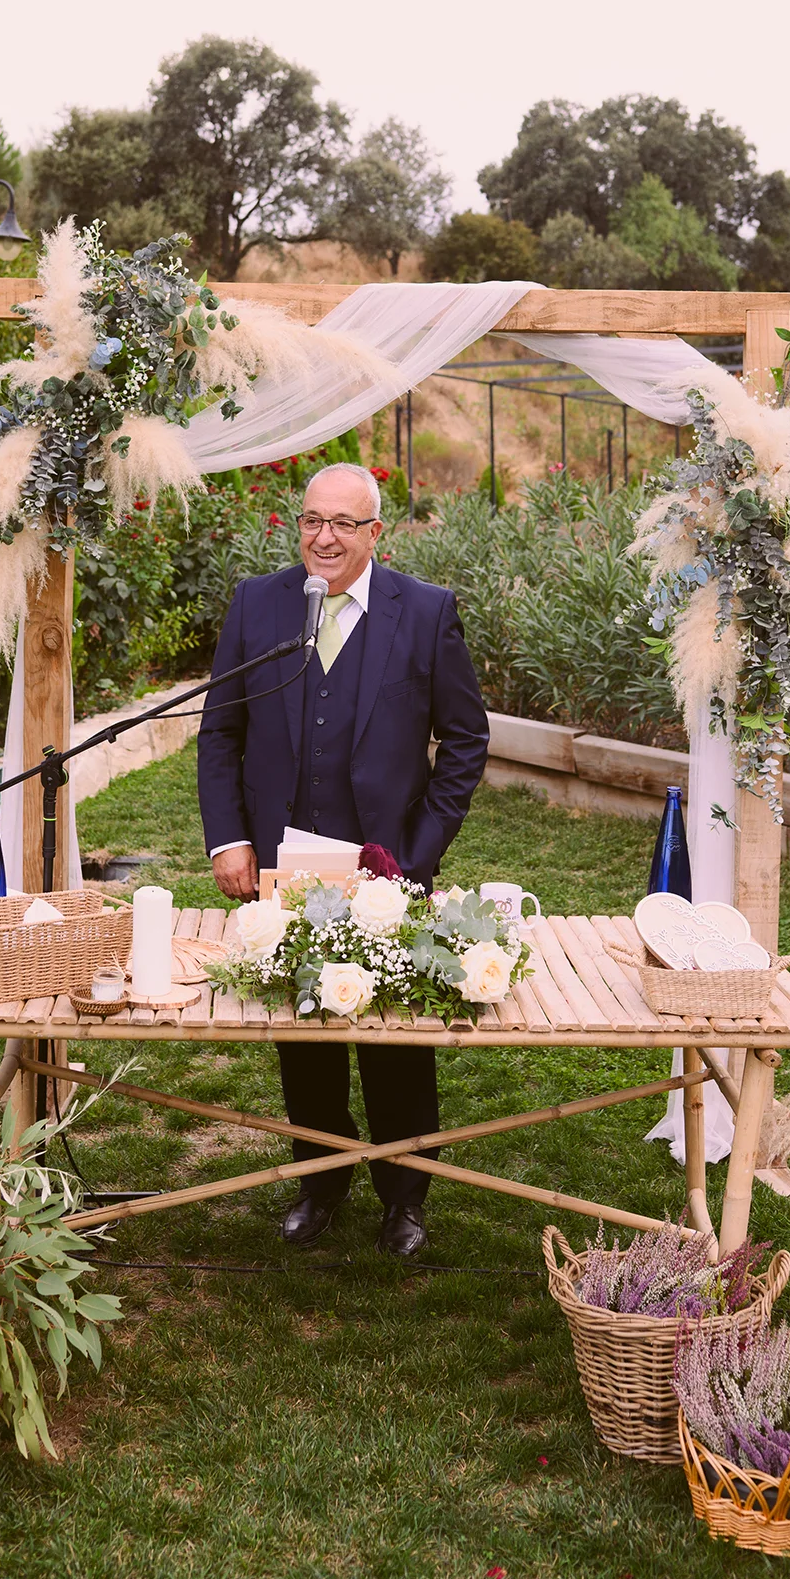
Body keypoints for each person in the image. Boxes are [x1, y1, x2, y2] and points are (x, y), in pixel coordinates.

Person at [197, 461, 490, 1256]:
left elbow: (465, 739)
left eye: (342, 523)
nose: (322, 537)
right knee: (306, 1032)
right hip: (283, 867)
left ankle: (405, 1195)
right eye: (311, 520)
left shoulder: (424, 611)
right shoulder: (258, 602)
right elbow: (220, 731)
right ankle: (319, 1180)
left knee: (395, 1038)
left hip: (387, 870)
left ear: (374, 532)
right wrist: (229, 838)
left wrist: (418, 853)